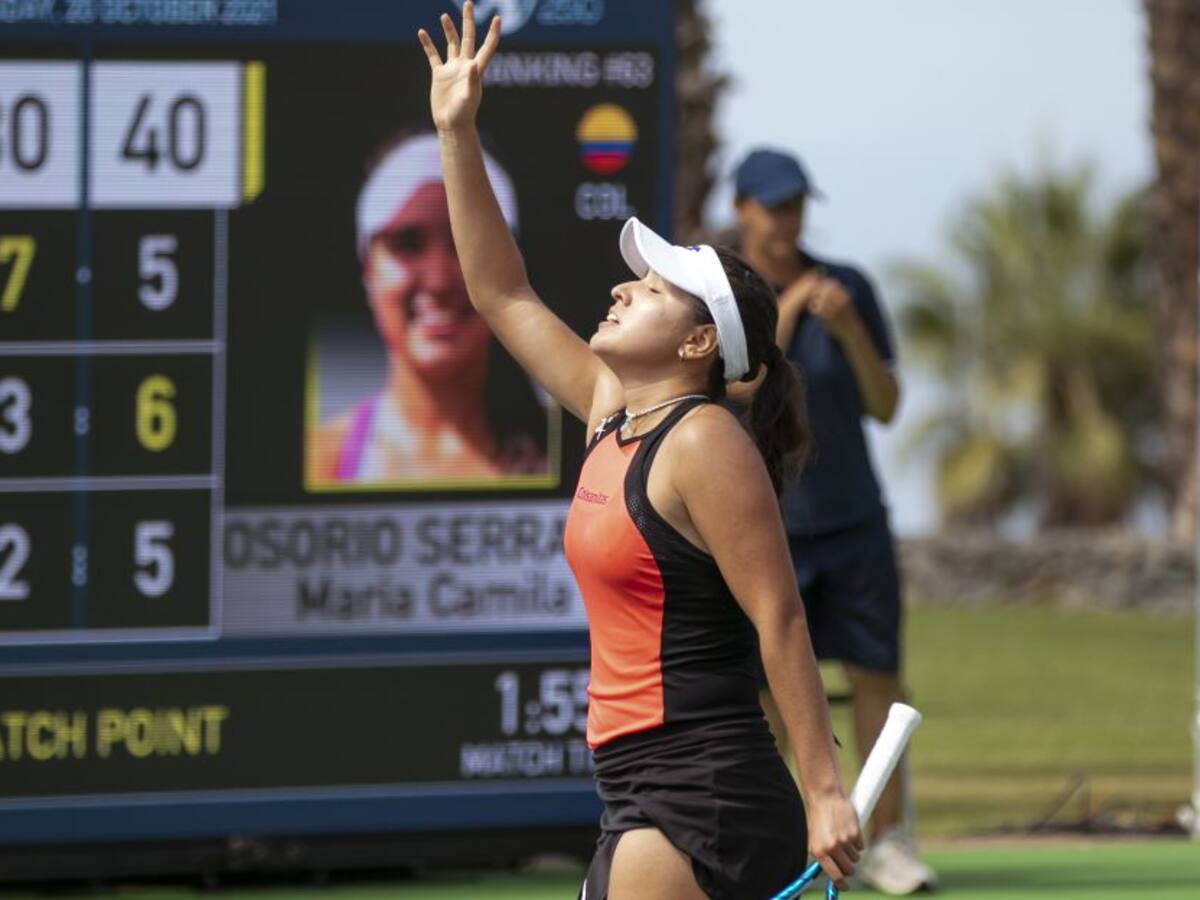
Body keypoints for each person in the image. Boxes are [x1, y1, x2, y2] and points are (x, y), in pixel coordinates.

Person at [416, 6, 862, 898]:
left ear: (700, 343)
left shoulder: (705, 441)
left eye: (653, 290)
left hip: (706, 789)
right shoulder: (611, 412)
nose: (623, 289)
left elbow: (780, 617)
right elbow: (500, 292)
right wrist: (457, 133)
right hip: (637, 783)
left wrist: (823, 791)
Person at [729, 146, 937, 895]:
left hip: (854, 522)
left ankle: (890, 843)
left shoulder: (850, 287)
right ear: (742, 209)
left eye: (796, 206)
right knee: (767, 692)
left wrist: (849, 331)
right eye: (774, 206)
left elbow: (886, 404)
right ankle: (780, 843)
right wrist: (784, 315)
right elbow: (738, 394)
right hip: (765, 527)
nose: (787, 221)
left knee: (878, 675)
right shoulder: (728, 292)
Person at [306, 130, 549, 487]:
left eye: (465, 243)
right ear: (367, 268)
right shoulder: (323, 457)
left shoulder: (575, 449)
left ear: (511, 264)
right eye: (408, 244)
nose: (438, 281)